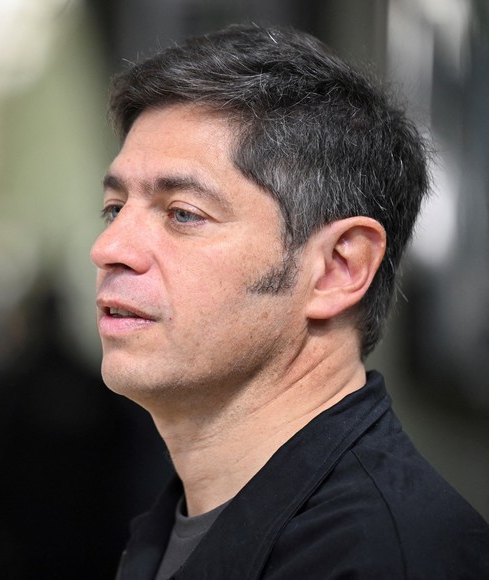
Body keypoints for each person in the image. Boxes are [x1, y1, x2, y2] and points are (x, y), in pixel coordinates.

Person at [90, 23, 489, 579]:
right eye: (114, 209)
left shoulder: (386, 558)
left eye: (183, 213)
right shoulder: (176, 523)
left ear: (337, 269)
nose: (108, 248)